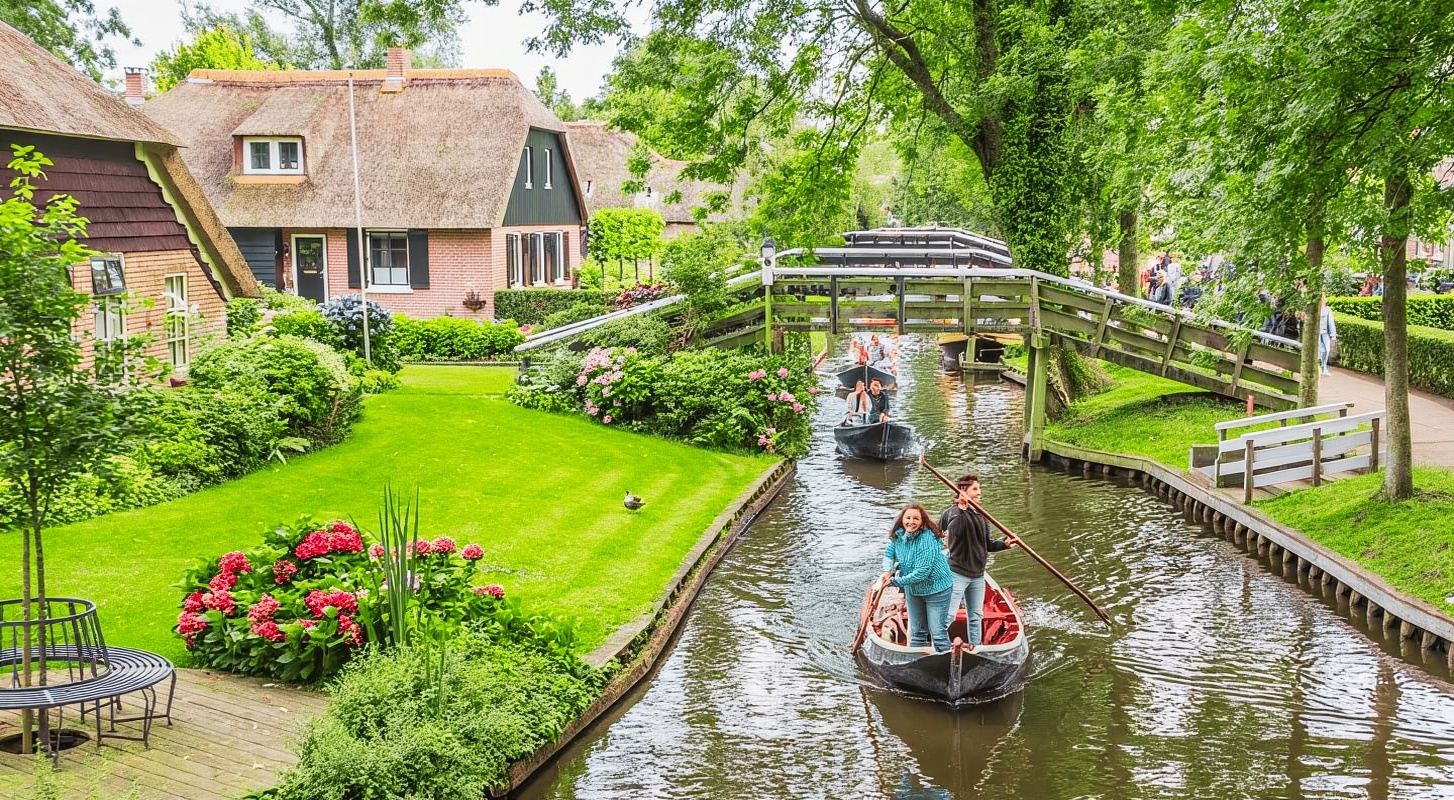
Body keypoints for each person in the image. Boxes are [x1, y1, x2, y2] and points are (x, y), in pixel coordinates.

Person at [934, 469, 1018, 648]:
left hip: (978, 575)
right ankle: (938, 646)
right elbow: (953, 533)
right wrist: (961, 509)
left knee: (976, 615)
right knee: (949, 614)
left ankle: (976, 648)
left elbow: (987, 545)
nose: (980, 492)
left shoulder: (981, 516)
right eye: (975, 489)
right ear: (962, 492)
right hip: (957, 573)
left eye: (979, 489)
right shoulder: (952, 513)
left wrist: (1004, 544)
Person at [881, 504, 954, 653]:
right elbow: (889, 554)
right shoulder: (898, 536)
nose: (911, 522)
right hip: (913, 590)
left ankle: (947, 665)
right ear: (902, 520)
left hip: (937, 589)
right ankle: (917, 662)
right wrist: (887, 571)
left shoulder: (927, 539)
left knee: (937, 633)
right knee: (917, 632)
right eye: (908, 518)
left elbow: (922, 572)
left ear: (922, 521)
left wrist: (895, 581)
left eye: (916, 518)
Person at [1318, 295, 1338, 375]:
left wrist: (1333, 335)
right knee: (1319, 350)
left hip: (1325, 333)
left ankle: (1324, 366)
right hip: (1316, 334)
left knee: (1327, 350)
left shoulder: (1328, 309)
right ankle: (1320, 367)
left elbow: (1331, 322)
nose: (1323, 300)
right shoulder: (1315, 309)